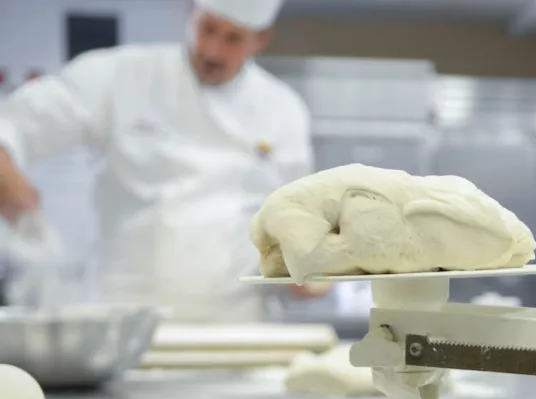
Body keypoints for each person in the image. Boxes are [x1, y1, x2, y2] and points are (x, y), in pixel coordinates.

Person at [0, 0, 326, 322]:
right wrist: (12, 184)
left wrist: (306, 271)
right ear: (190, 16)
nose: (213, 50)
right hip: (128, 323)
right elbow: (13, 123)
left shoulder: (284, 110)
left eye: (233, 38)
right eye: (207, 28)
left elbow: (292, 225)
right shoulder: (122, 76)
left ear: (261, 39)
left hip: (238, 329)